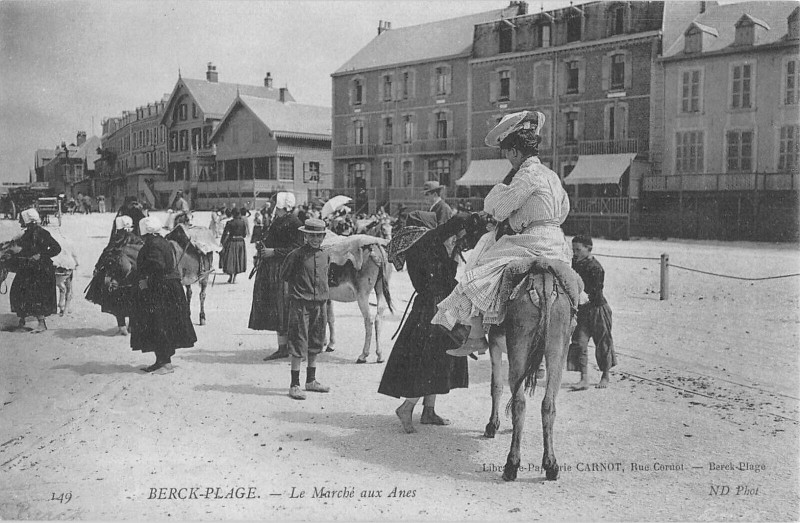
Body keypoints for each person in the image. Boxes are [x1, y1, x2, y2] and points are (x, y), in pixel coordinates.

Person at [432, 110, 572, 357]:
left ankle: (476, 335)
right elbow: (563, 210)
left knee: (477, 269)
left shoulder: (526, 175)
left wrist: (502, 205)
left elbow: (498, 208)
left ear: (515, 152)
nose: (509, 159)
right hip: (558, 244)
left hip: (530, 240)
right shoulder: (551, 175)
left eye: (508, 153)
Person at [379, 213, 473, 433]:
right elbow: (450, 228)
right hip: (432, 308)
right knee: (430, 360)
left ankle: (428, 411)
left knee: (439, 356)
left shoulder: (422, 246)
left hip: (434, 305)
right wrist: (472, 218)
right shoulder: (425, 242)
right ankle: (406, 407)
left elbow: (444, 277)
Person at [129, 216, 197, 374]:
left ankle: (166, 364)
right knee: (159, 325)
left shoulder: (153, 245)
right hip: (166, 288)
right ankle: (160, 361)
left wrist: (147, 281)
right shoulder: (161, 241)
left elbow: (157, 267)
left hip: (161, 290)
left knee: (160, 325)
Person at [280, 218, 332, 400]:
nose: (315, 239)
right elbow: (285, 277)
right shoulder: (296, 255)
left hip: (320, 304)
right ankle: (294, 384)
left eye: (319, 236)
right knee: (298, 342)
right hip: (301, 304)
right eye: (312, 236)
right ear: (305, 236)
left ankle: (311, 380)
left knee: (316, 341)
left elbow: (326, 277)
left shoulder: (326, 255)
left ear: (324, 236)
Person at [249, 192, 303, 360]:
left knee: (283, 307)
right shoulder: (278, 220)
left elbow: (297, 247)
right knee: (276, 308)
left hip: (284, 270)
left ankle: (288, 347)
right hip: (272, 269)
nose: (272, 206)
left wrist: (273, 252)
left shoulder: (294, 222)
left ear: (281, 205)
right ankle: (282, 346)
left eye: (274, 203)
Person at [568, 235, 616, 389]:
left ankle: (605, 376)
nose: (575, 252)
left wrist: (580, 295)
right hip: (581, 310)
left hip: (597, 309)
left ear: (589, 249)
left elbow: (595, 292)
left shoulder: (596, 268)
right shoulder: (573, 264)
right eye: (573, 249)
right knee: (579, 343)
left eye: (578, 249)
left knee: (603, 343)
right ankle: (584, 378)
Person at [86, 215, 142, 335]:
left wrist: (97, 267)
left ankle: (122, 326)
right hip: (134, 275)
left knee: (117, 301)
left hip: (117, 277)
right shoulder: (137, 239)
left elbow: (106, 254)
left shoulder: (116, 239)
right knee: (133, 299)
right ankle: (132, 325)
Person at [9, 209, 62, 332]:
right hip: (27, 268)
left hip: (40, 270)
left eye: (21, 219)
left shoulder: (43, 233)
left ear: (28, 220)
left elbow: (56, 248)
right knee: (18, 291)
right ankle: (21, 322)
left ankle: (42, 324)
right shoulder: (25, 234)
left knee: (37, 294)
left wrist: (41, 255)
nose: (19, 221)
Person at [220, 207, 248, 283]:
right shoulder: (242, 222)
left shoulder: (229, 223)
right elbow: (244, 234)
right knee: (238, 260)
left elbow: (225, 233)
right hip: (241, 243)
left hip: (232, 242)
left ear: (232, 214)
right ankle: (234, 277)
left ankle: (230, 276)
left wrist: (222, 242)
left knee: (230, 260)